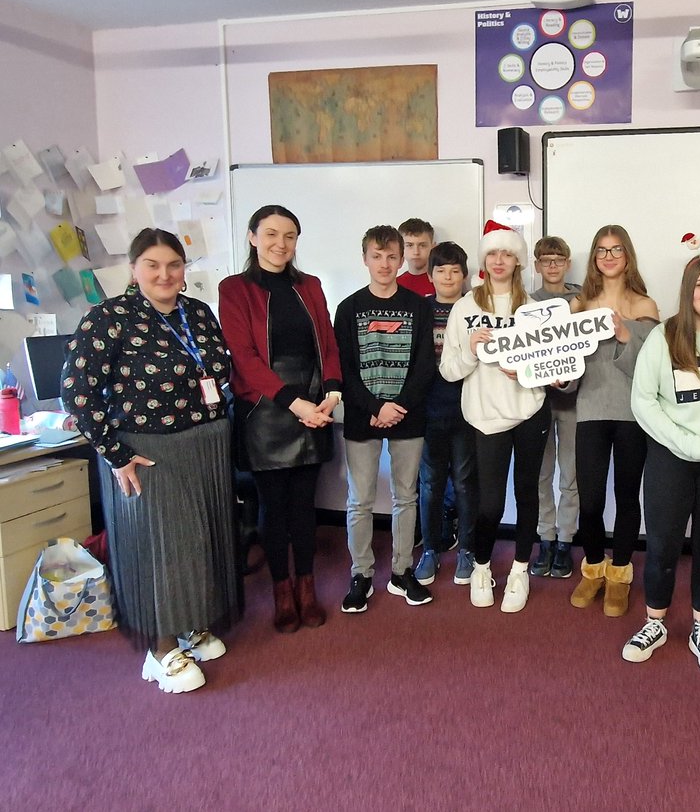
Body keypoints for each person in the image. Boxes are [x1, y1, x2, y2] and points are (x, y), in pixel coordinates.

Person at [62, 228, 239, 694]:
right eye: (153, 265)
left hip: (203, 444)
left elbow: (218, 373)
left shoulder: (196, 313)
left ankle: (189, 624)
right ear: (134, 268)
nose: (165, 275)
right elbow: (76, 394)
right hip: (146, 452)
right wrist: (116, 455)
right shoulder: (110, 318)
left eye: (174, 265)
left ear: (184, 269)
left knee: (198, 539)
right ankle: (160, 649)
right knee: (161, 549)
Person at [219, 205, 342, 633]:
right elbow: (244, 358)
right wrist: (295, 403)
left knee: (304, 507)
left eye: (289, 235)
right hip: (265, 410)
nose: (280, 244)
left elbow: (326, 341)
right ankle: (282, 591)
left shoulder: (310, 285)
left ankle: (308, 589)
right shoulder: (234, 289)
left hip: (312, 405)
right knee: (275, 508)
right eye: (271, 234)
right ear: (252, 237)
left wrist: (332, 390)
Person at [623, 254, 700, 673]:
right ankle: (655, 622)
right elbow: (643, 401)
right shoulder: (664, 336)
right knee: (662, 546)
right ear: (687, 289)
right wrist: (690, 444)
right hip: (671, 457)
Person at [439, 221, 549, 613]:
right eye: (492, 253)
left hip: (530, 411)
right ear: (484, 259)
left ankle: (520, 570)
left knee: (527, 493)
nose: (499, 260)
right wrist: (469, 348)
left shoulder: (534, 309)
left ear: (517, 260)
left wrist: (527, 371)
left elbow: (554, 370)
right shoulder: (465, 307)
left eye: (506, 253)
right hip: (484, 416)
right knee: (489, 503)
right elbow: (449, 370)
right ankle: (483, 566)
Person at [334, 225, 436, 613]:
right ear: (365, 259)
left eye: (392, 256)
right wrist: (375, 407)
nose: (385, 264)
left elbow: (426, 363)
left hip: (408, 415)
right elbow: (343, 367)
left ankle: (401, 571)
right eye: (377, 256)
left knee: (405, 496)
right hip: (364, 417)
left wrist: (397, 406)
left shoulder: (418, 306)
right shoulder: (348, 308)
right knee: (359, 500)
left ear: (402, 258)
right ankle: (361, 574)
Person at [568, 225, 659, 617]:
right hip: (589, 409)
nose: (608, 256)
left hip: (631, 414)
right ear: (593, 258)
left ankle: (620, 573)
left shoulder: (646, 306)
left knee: (625, 496)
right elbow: (566, 364)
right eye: (601, 250)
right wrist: (560, 377)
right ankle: (592, 569)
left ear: (627, 255)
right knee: (589, 501)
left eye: (616, 249)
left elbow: (654, 369)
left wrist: (625, 334)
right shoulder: (577, 306)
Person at [415, 241, 479, 587]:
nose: (449, 277)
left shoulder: (475, 309)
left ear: (465, 275)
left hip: (467, 407)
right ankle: (431, 549)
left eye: (455, 270)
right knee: (430, 483)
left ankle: (467, 550)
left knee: (467, 482)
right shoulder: (420, 310)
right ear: (431, 275)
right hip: (429, 408)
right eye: (441, 270)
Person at [529, 236, 582, 579]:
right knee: (541, 474)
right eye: (546, 260)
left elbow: (587, 348)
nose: (552, 266)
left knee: (570, 475)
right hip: (537, 402)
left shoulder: (580, 299)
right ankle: (545, 537)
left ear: (567, 263)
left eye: (558, 260)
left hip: (574, 399)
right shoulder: (527, 303)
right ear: (536, 265)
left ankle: (565, 540)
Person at [397, 217, 436, 297]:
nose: (416, 252)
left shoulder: (443, 283)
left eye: (422, 245)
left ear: (433, 247)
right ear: (400, 248)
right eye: (409, 245)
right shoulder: (394, 285)